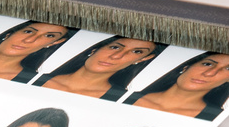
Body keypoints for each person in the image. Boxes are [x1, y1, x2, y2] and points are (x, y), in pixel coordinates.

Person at [124, 52, 229, 120]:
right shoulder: (123, 96)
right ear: (186, 67)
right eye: (207, 64)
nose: (210, 73)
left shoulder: (216, 117)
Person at [32, 36, 162, 100]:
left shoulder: (123, 99)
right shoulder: (34, 78)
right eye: (115, 47)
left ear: (142, 59)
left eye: (137, 52)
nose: (117, 56)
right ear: (94, 50)